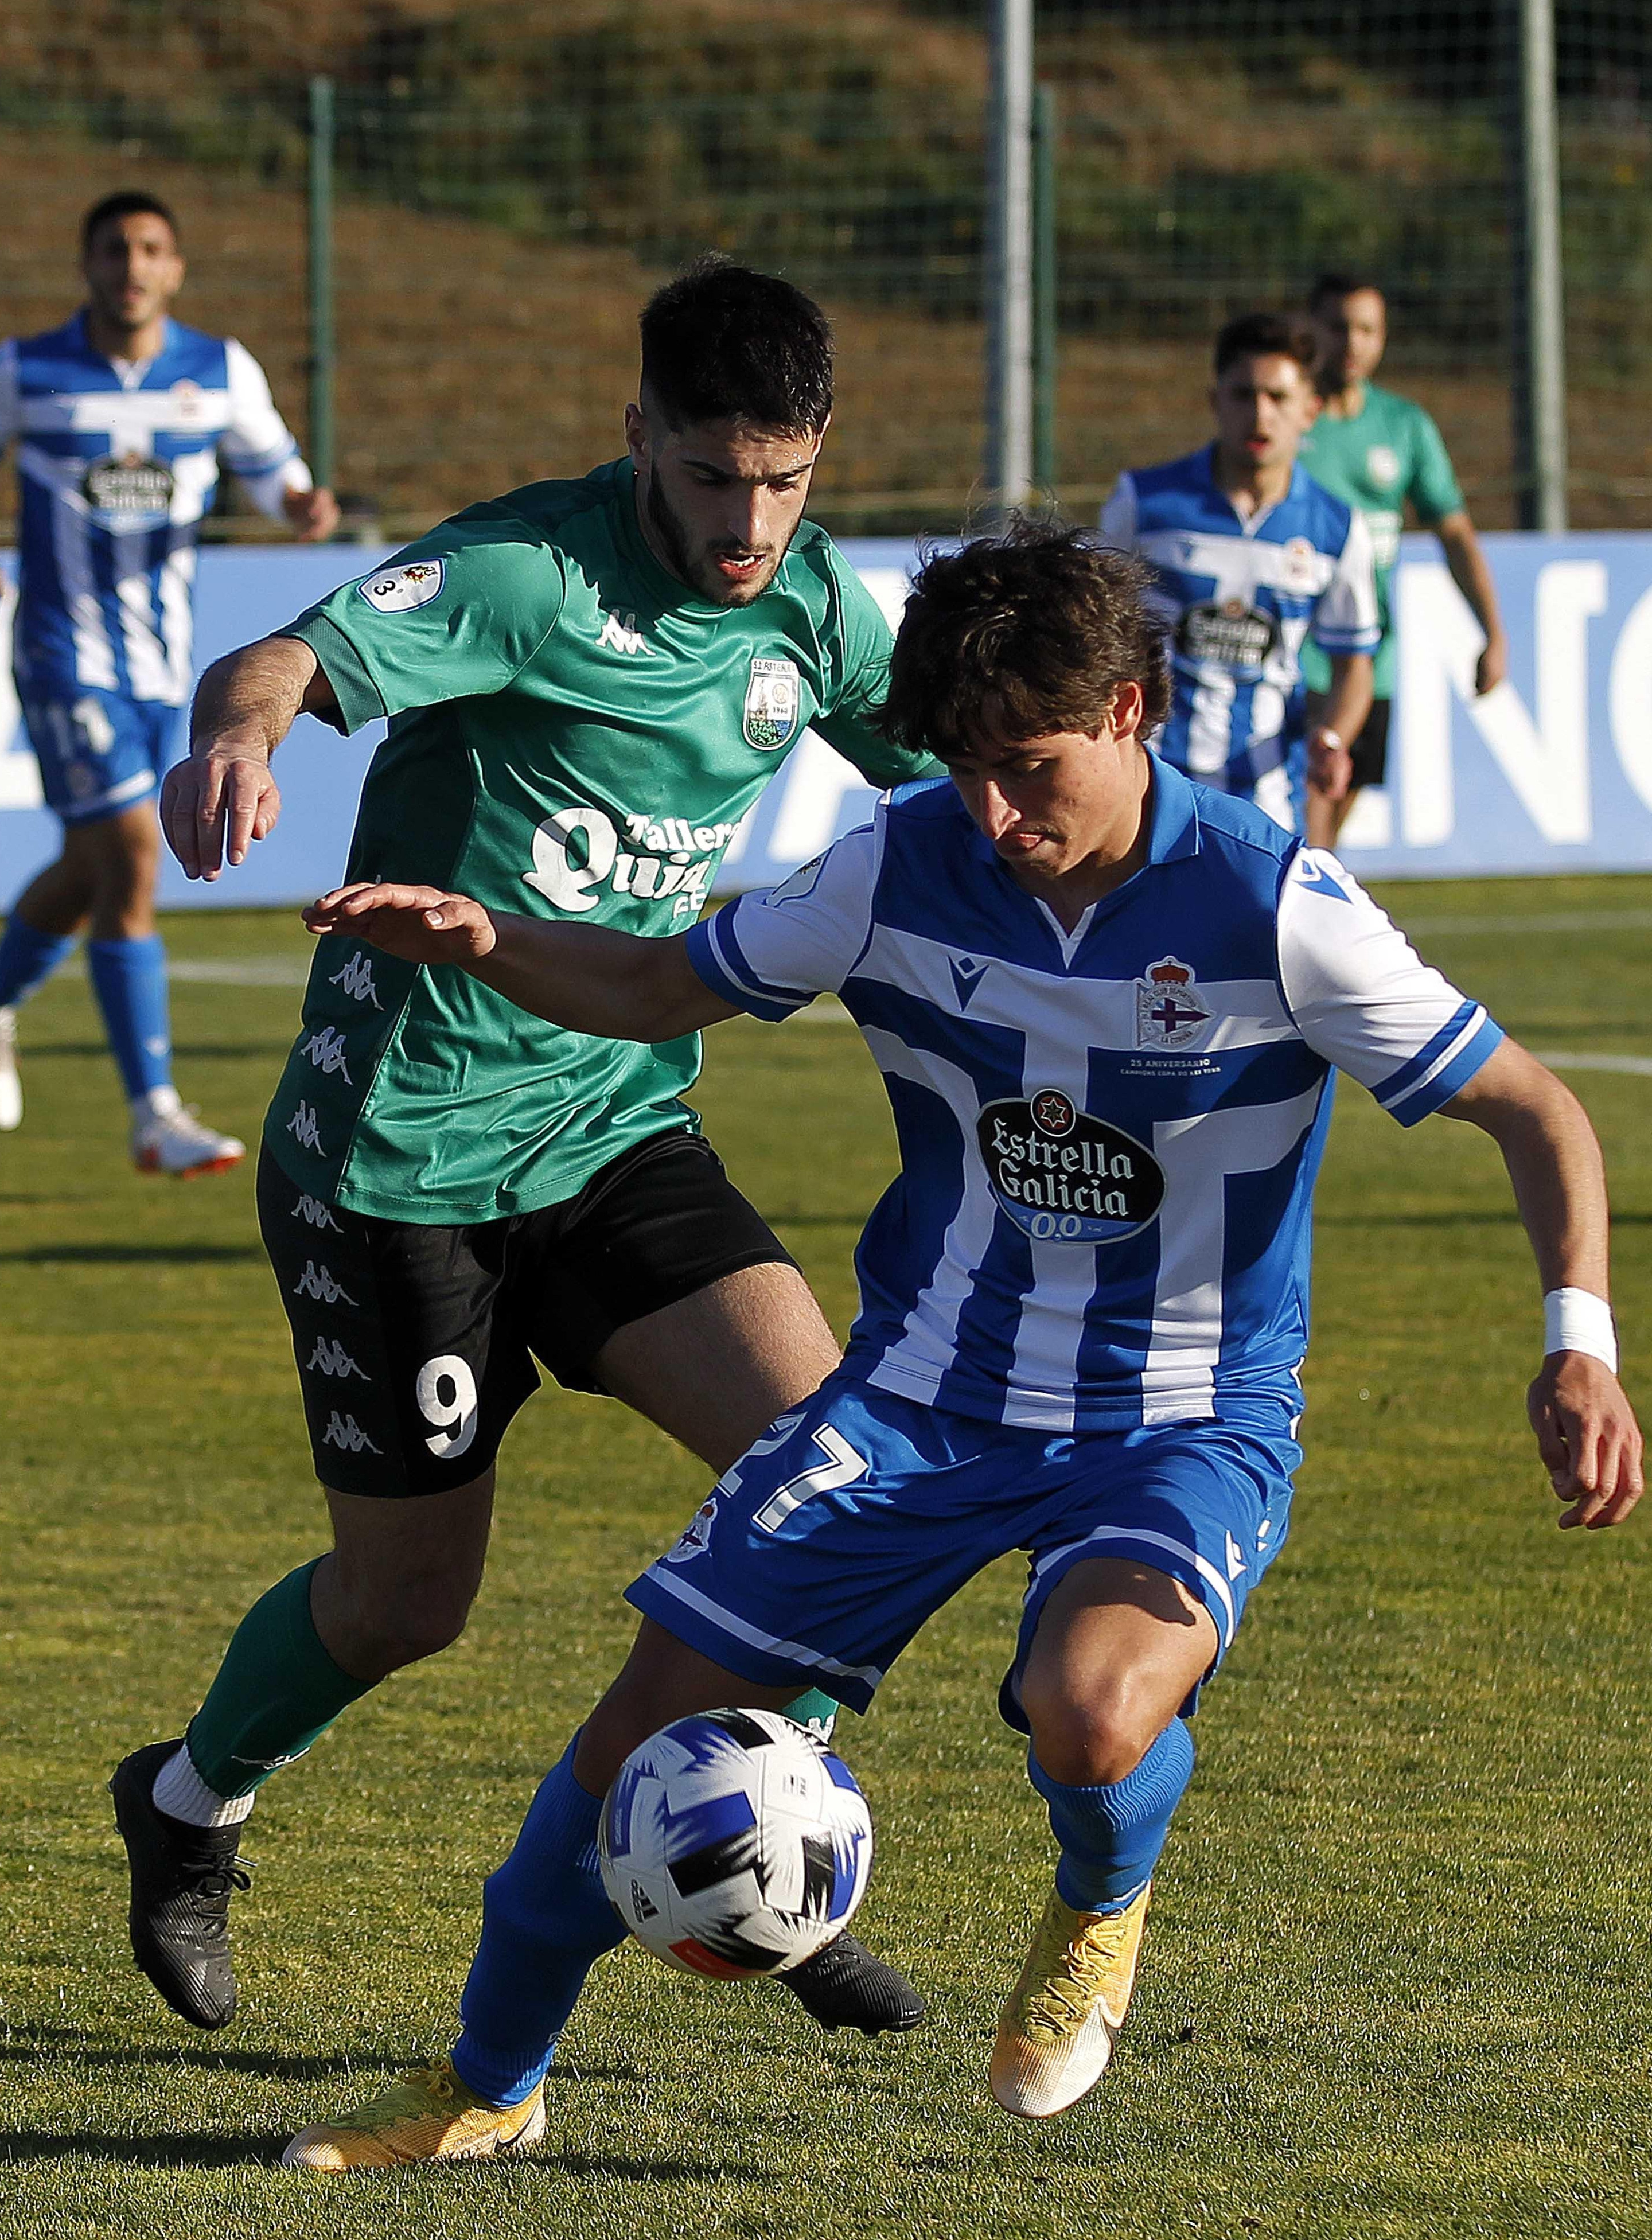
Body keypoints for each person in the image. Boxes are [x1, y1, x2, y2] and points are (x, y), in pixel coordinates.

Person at [268, 523, 1640, 2169]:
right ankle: (486, 2085)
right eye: (965, 771)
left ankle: (1096, 1898)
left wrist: (1577, 1343)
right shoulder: (896, 863)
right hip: (917, 1399)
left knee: (1085, 1710)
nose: (995, 815)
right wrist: (486, 942)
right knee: (637, 1730)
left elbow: (1533, 1110)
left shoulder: (1275, 907)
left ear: (1128, 711)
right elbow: (654, 985)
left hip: (1181, 1415)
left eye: (1030, 767)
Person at [108, 258, 935, 2043]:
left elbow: (941, 762)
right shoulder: (523, 574)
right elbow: (283, 659)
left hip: (616, 1120)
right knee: (407, 1601)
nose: (748, 521)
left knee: (838, 1489)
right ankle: (184, 1804)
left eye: (784, 482)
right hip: (395, 1159)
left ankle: (759, 1858)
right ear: (638, 436)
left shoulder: (813, 609)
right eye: (713, 477)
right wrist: (235, 743)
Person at [0, 190, 338, 1172]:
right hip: (60, 653)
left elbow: (272, 466)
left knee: (99, 869)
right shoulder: (27, 370)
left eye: (151, 249)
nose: (132, 266)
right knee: (132, 857)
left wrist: (297, 504)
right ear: (88, 264)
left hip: (166, 667)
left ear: (176, 268)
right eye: (114, 249)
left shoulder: (217, 370)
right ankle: (153, 1109)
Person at [1100, 311, 1377, 836]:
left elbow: (1354, 663)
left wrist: (1334, 739)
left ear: (1310, 411)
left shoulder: (1337, 529)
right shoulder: (1144, 503)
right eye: (1243, 395)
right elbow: (1093, 631)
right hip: (1149, 780)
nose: (1259, 415)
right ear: (1215, 402)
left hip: (1270, 794)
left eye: (1278, 398)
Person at [1299, 271, 1509, 850]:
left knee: (1325, 836)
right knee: (1304, 823)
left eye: (1366, 329)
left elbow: (1453, 531)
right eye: (1338, 327)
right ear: (1310, 330)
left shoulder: (1403, 426)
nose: (1352, 343)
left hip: (1371, 662)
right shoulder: (1284, 420)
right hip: (1295, 659)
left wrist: (1491, 631)